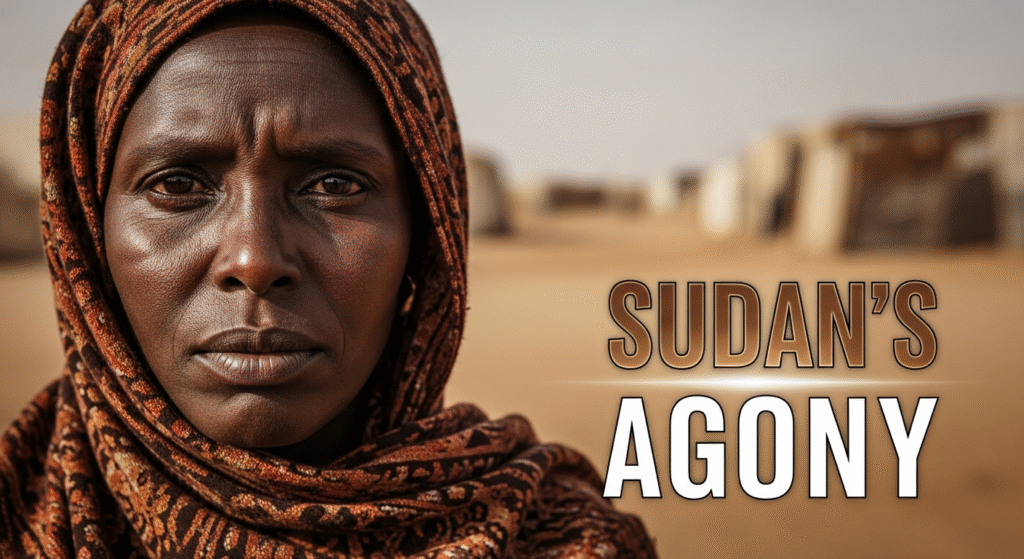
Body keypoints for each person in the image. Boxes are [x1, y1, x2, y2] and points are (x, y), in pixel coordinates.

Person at [0, 1, 657, 556]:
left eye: (334, 184)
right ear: (85, 234)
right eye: (178, 184)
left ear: (427, 238)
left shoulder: (560, 539)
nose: (254, 259)